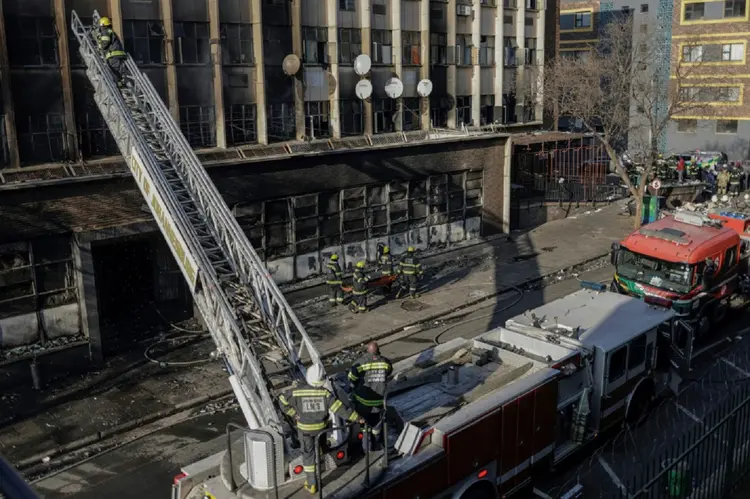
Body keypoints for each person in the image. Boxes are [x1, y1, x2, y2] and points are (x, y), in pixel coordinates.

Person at [279, 364, 362, 494]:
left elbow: (282, 400)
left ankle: (312, 484)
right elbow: (340, 409)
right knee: (319, 449)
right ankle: (323, 454)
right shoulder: (326, 394)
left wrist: (293, 413)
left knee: (308, 456)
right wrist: (357, 418)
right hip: (321, 431)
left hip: (305, 432)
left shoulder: (296, 392)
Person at [348, 342, 393, 450]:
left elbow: (351, 379)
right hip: (378, 402)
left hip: (363, 403)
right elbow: (389, 372)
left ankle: (367, 449)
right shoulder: (385, 362)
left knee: (365, 427)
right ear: (378, 351)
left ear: (367, 351)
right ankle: (377, 443)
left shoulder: (360, 363)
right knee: (376, 426)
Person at [95, 17, 128, 88]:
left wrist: (99, 47)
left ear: (102, 25)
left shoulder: (105, 31)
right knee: (118, 71)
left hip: (113, 55)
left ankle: (117, 86)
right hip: (119, 54)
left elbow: (105, 43)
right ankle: (121, 84)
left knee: (114, 71)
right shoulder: (111, 31)